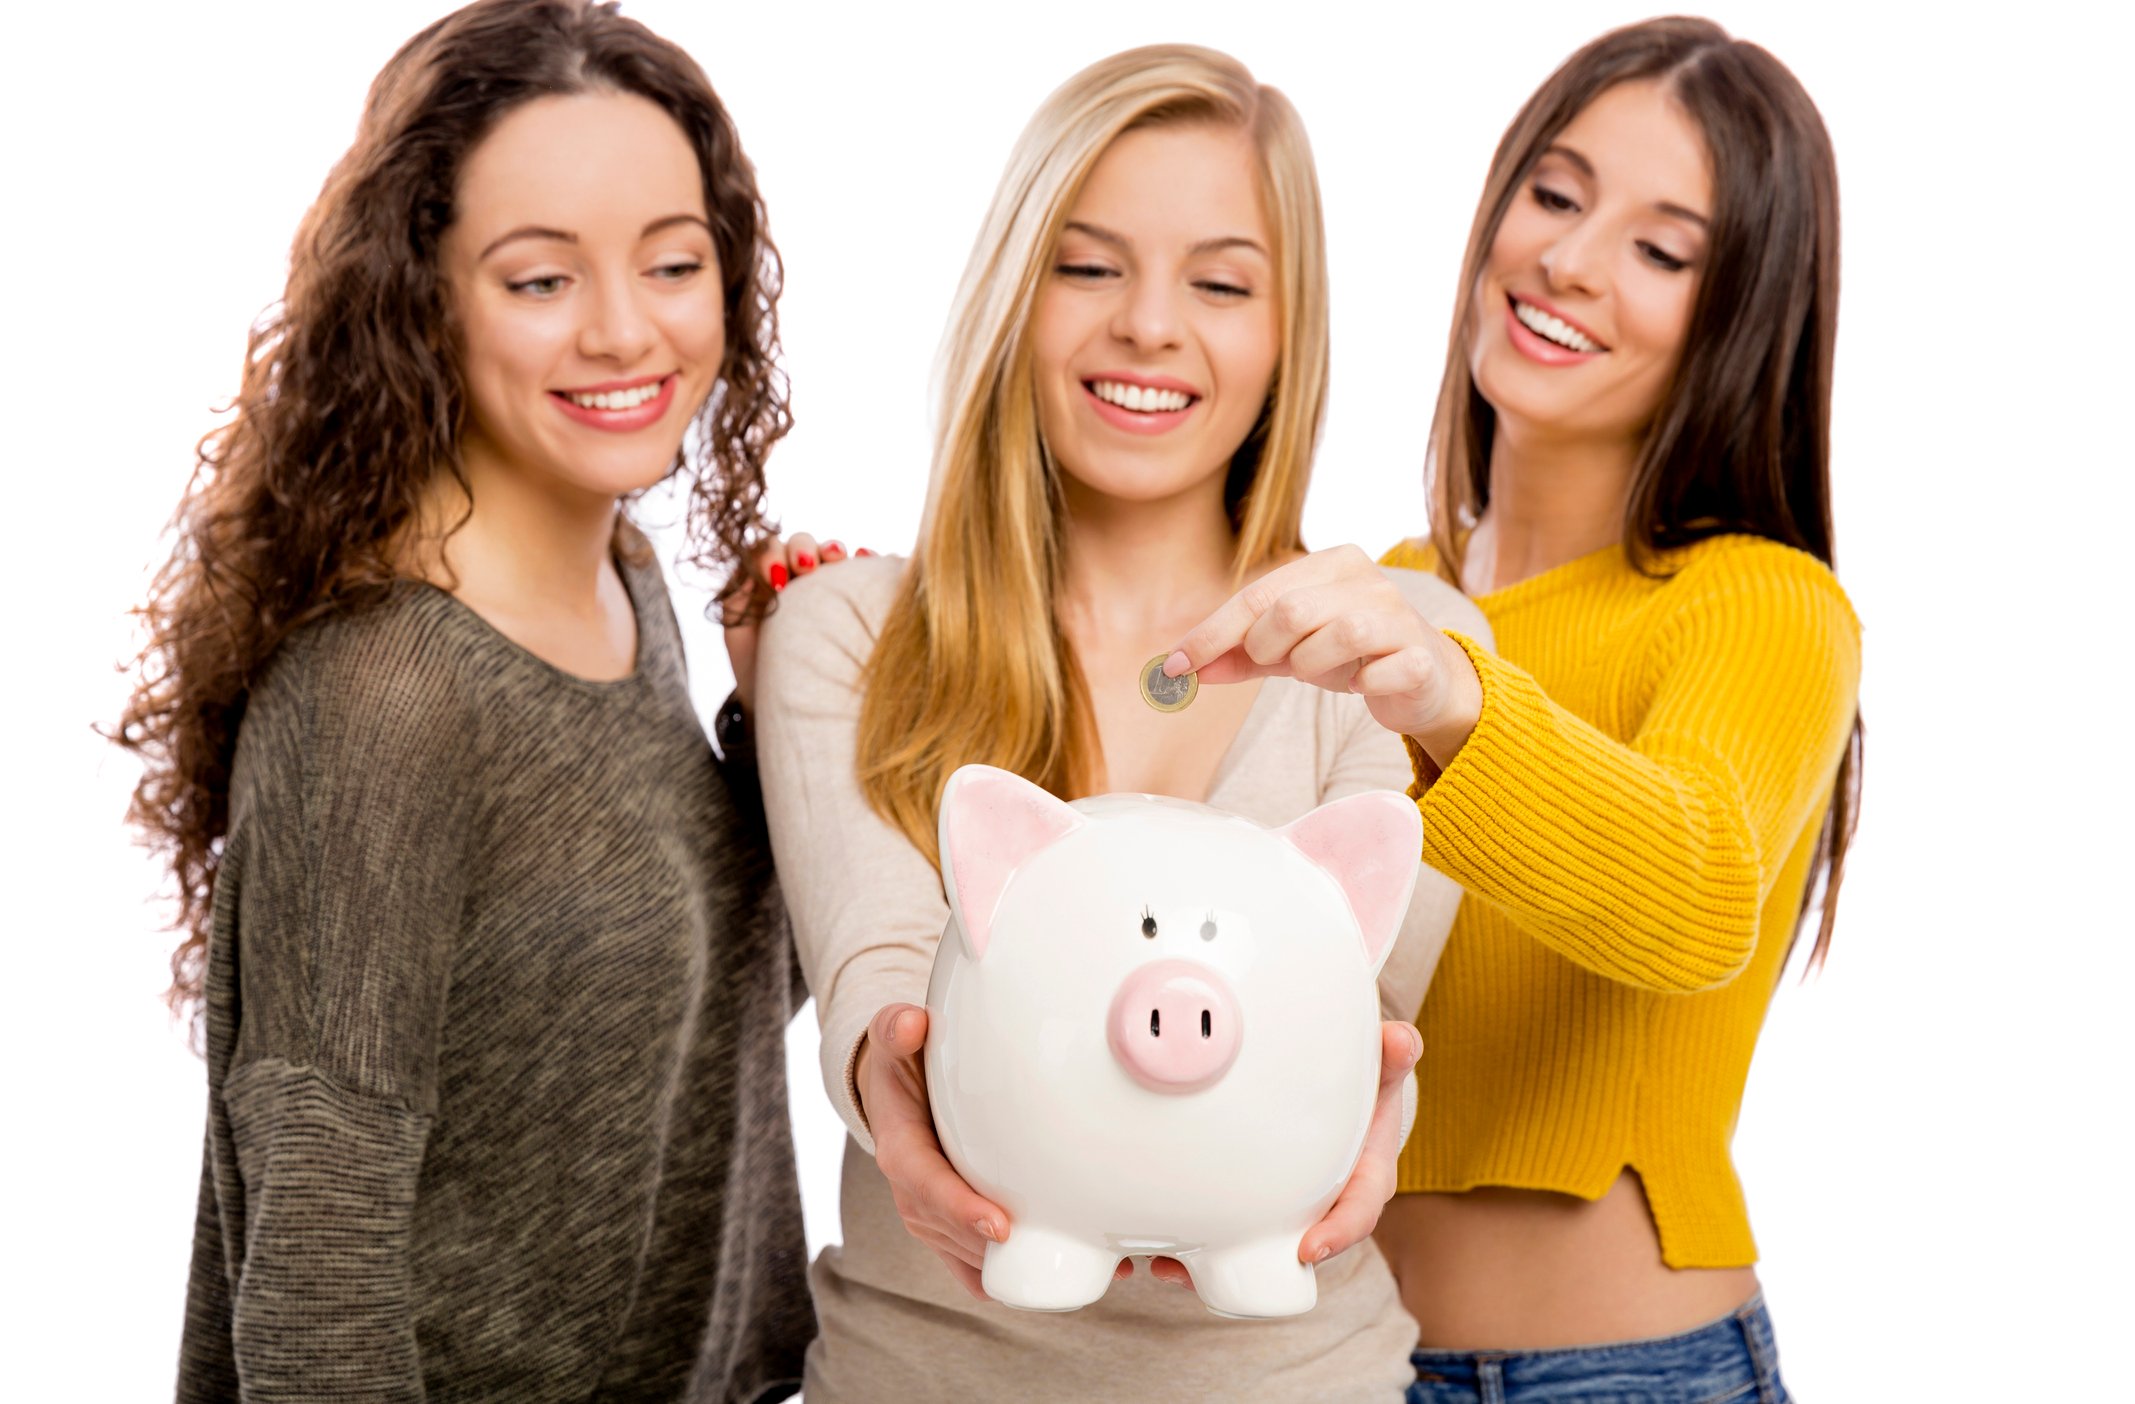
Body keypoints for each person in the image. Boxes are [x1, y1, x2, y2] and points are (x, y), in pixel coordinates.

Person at [749, 44, 1489, 1403]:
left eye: (1219, 283)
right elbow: (877, 975)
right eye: (1087, 267)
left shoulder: (1404, 650)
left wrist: (1380, 1117)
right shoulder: (847, 631)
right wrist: (905, 1107)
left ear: (1288, 330)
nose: (1150, 325)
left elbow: (1364, 1014)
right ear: (1012, 294)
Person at [114, 1, 814, 1397]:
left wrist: (781, 730)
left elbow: (658, 1036)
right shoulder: (384, 694)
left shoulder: (626, 582)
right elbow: (320, 1280)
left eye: (673, 264)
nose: (626, 331)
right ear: (420, 296)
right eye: (540, 279)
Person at [1163, 18, 1861, 1401]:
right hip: (1332, 1364)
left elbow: (1693, 891)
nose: (1569, 261)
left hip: (1630, 1374)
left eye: (1663, 252)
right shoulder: (1380, 595)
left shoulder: (1757, 604)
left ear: (1742, 319)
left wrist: (1448, 689)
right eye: (1553, 195)